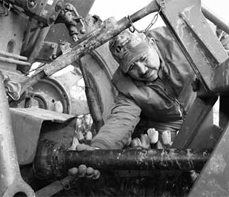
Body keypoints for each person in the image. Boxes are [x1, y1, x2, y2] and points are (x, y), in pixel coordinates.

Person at [68, 26, 197, 179]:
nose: (142, 70)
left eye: (143, 59)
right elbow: (122, 119)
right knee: (169, 172)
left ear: (151, 43)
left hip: (201, 103)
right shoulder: (127, 86)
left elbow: (216, 43)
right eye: (132, 67)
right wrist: (99, 149)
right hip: (168, 125)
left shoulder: (180, 41)